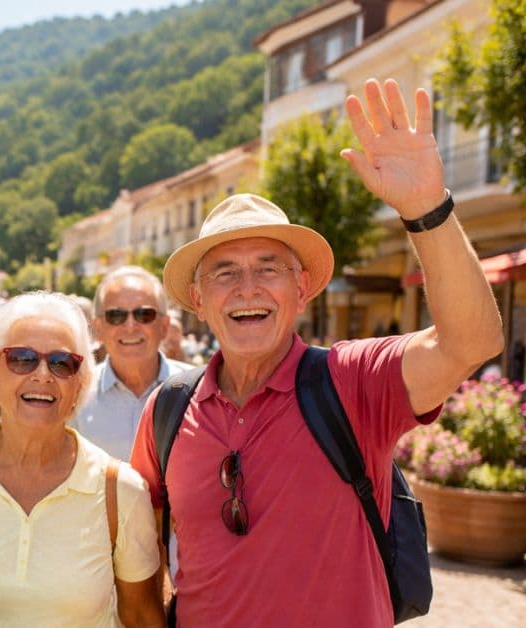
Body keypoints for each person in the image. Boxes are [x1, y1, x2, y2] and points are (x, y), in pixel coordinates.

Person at [130, 79, 504, 626]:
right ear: (198, 301)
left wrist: (427, 208)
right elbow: (143, 542)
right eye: (225, 273)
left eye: (269, 268)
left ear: (302, 288)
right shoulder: (168, 410)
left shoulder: (352, 382)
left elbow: (472, 343)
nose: (247, 288)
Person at [0, 292, 165, 628]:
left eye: (62, 363)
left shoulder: (119, 490)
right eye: (22, 359)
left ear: (78, 386)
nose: (42, 374)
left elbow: (141, 617)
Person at [75, 267, 193, 462]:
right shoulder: (75, 395)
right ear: (98, 329)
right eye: (116, 316)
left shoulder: (201, 390)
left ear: (164, 327)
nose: (130, 326)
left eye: (144, 314)